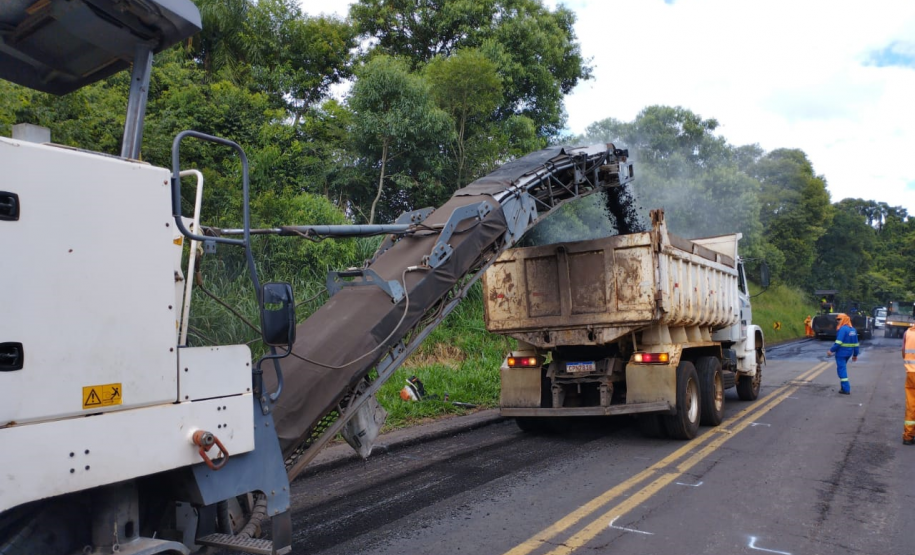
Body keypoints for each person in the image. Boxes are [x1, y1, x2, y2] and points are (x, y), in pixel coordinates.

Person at [826, 313, 858, 395]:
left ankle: (846, 389)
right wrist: (855, 355)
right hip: (849, 353)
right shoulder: (853, 330)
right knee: (842, 368)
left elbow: (838, 343)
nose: (837, 321)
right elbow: (856, 344)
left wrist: (831, 351)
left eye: (839, 319)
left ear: (844, 319)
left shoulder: (843, 329)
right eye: (837, 320)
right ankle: (843, 388)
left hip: (841, 353)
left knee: (841, 370)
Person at [902, 323, 915, 445]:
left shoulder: (908, 333)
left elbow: (903, 352)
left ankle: (908, 435)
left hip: (911, 372)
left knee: (911, 404)